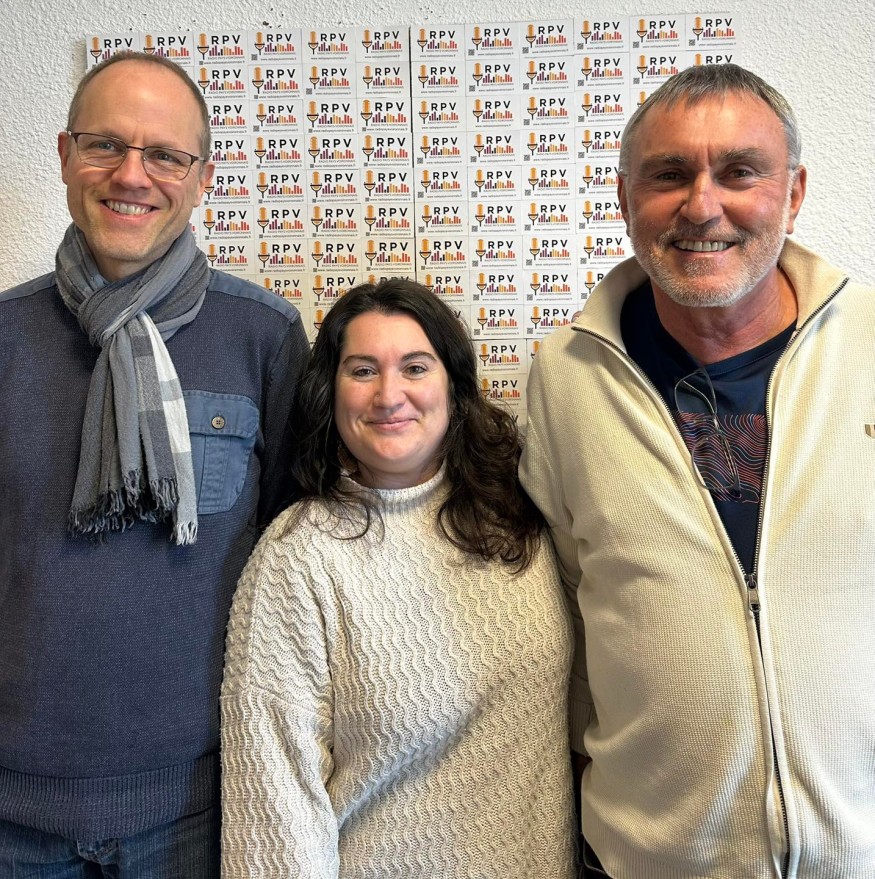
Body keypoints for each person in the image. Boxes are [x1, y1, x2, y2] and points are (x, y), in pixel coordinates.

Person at [520, 63, 875, 878]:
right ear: (624, 198)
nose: (702, 205)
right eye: (669, 174)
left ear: (792, 193)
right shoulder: (566, 376)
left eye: (739, 172)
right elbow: (564, 612)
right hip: (648, 858)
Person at [0, 52, 308, 876]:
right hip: (11, 818)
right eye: (105, 144)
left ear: (202, 177)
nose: (131, 175)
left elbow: (297, 557)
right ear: (64, 155)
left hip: (199, 814)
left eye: (165, 155)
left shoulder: (265, 338)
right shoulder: (4, 337)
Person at [220, 278, 577, 878]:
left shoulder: (517, 512)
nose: (389, 395)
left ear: (452, 386)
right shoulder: (297, 559)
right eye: (362, 371)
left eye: (415, 367)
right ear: (330, 393)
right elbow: (273, 812)